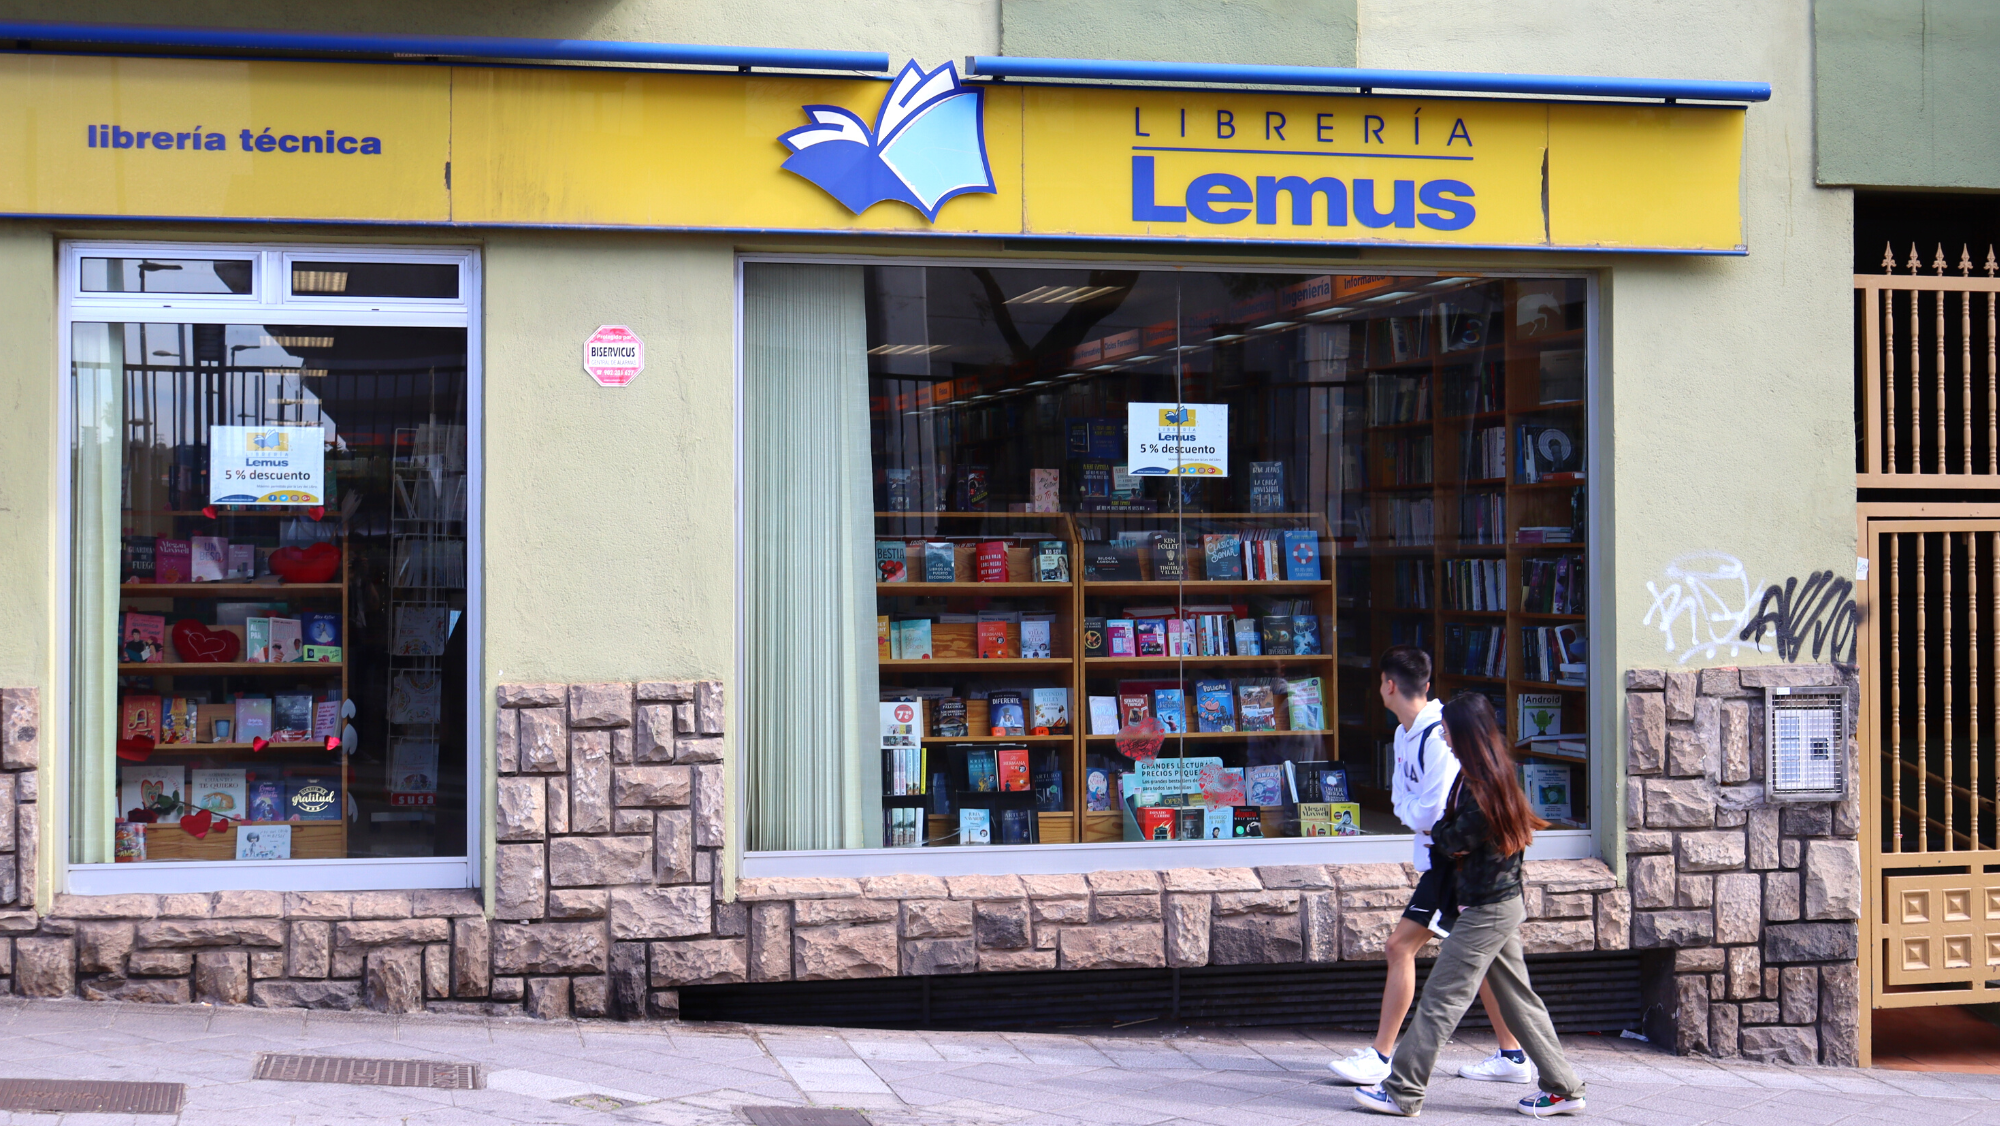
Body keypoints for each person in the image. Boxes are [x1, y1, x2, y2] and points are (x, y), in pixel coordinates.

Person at [1352, 693, 1586, 1118]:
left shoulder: (1485, 788)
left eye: (1447, 729)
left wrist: (1440, 833)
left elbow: (1450, 838)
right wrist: (1443, 833)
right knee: (1518, 1000)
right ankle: (1564, 1088)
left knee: (1442, 998)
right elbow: (1448, 835)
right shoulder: (1484, 775)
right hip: (1492, 905)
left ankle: (1403, 1091)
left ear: (1465, 734)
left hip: (1487, 909)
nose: (1441, 734)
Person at [1327, 647, 1532, 1087]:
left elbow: (1430, 811)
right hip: (1446, 863)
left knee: (1400, 946)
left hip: (1451, 865)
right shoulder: (1406, 734)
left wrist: (1410, 810)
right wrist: (1410, 809)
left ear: (1388, 684)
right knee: (1489, 963)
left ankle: (1382, 1058)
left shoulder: (1436, 736)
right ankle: (1514, 1055)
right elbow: (1406, 801)